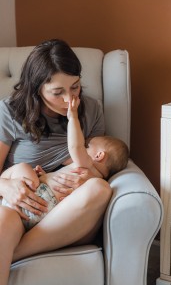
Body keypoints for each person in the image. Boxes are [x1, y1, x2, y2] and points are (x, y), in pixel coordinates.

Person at [0, 39, 114, 285]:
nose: (69, 99)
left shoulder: (91, 109)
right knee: (3, 220)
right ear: (37, 89)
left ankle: (13, 253)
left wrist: (87, 176)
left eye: (75, 87)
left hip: (65, 215)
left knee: (100, 189)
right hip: (21, 206)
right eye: (57, 92)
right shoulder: (9, 111)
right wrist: (5, 186)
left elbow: (95, 161)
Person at [1, 95, 129, 231]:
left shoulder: (87, 165)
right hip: (49, 215)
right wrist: (45, 176)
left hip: (33, 200)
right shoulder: (94, 179)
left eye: (87, 146)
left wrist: (73, 117)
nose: (84, 148)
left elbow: (75, 146)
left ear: (99, 155)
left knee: (23, 168)